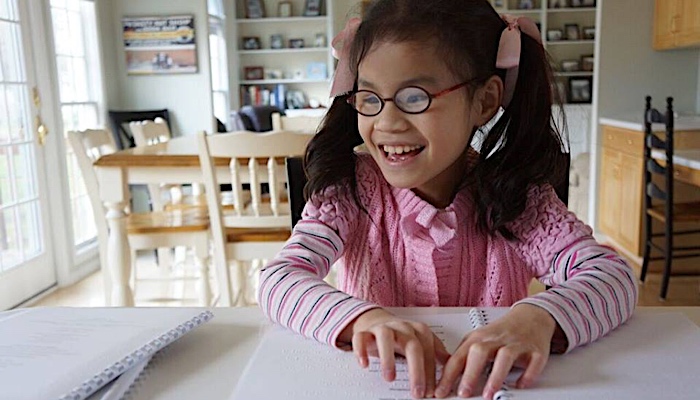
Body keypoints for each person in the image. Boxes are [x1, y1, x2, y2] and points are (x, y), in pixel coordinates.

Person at [258, 1, 637, 399]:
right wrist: (362, 320)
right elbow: (279, 280)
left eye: (414, 97)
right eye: (369, 98)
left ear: (484, 101)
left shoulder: (518, 196)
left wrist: (537, 318)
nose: (386, 123)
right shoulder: (350, 189)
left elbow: (614, 278)